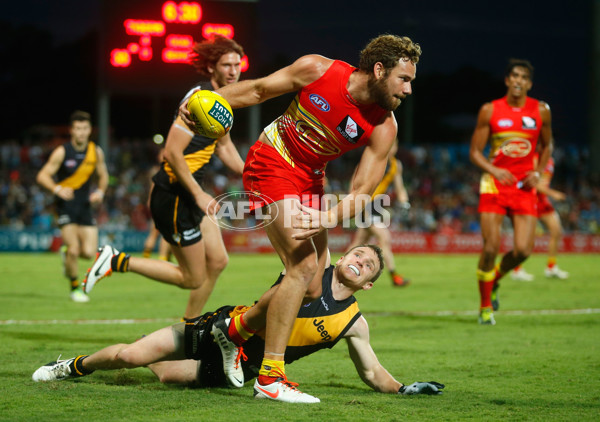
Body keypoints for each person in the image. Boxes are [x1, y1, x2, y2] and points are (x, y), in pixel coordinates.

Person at [180, 34, 421, 400]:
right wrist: (204, 100)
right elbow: (259, 90)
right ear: (378, 69)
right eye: (404, 79)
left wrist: (328, 218)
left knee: (311, 288)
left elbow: (361, 193)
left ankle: (232, 332)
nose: (408, 89)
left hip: (310, 179)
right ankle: (270, 378)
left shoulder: (385, 127)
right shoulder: (318, 69)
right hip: (272, 159)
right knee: (304, 265)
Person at [32, 245, 445, 402]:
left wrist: (403, 387)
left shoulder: (353, 322)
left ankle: (158, 350)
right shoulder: (309, 268)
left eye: (369, 265)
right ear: (341, 257)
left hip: (246, 367)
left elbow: (371, 371)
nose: (359, 262)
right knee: (128, 356)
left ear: (370, 283)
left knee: (163, 377)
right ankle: (70, 366)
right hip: (227, 327)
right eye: (357, 255)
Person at [83, 35, 246, 320]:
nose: (234, 70)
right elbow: (171, 152)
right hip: (175, 194)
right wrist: (199, 194)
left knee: (218, 261)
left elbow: (224, 146)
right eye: (226, 65)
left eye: (237, 64)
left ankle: (189, 326)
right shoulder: (198, 99)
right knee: (192, 278)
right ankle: (116, 260)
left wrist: (254, 173)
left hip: (191, 190)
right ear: (211, 68)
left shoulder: (220, 100)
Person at [469, 59, 553, 325]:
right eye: (514, 76)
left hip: (524, 187)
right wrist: (494, 171)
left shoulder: (541, 110)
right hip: (494, 184)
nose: (518, 81)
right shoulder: (490, 110)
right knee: (491, 247)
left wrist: (538, 171)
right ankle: (485, 309)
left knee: (523, 251)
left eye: (524, 77)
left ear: (529, 83)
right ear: (507, 80)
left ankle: (493, 281)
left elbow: (548, 146)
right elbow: (474, 153)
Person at [36, 110, 109, 303]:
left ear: (89, 130)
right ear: (71, 130)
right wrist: (57, 188)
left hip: (85, 207)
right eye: (77, 128)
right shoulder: (62, 151)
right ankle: (75, 288)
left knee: (88, 253)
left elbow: (103, 175)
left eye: (85, 128)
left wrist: (100, 192)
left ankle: (65, 255)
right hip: (65, 207)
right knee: (74, 249)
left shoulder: (96, 151)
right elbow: (42, 175)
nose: (81, 133)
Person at [346, 139, 411, 287]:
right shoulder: (371, 160)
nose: (391, 148)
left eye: (394, 145)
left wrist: (405, 203)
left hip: (376, 206)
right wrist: (356, 204)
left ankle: (336, 271)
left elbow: (399, 187)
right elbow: (354, 183)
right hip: (364, 203)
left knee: (358, 243)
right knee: (384, 237)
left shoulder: (395, 165)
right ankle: (394, 276)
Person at [511, 153, 569, 280]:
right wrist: (553, 193)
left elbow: (544, 182)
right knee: (527, 239)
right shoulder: (534, 158)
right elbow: (531, 183)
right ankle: (516, 269)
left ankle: (551, 267)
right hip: (530, 200)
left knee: (556, 231)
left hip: (543, 201)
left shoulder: (551, 161)